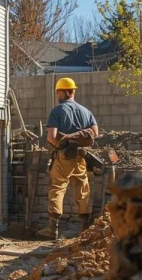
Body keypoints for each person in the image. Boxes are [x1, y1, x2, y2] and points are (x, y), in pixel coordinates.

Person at [39, 77, 98, 240]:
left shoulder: (57, 111)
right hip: (80, 156)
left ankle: (53, 229)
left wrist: (62, 144)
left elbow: (52, 137)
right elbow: (95, 133)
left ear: (63, 92)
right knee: (82, 188)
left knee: (58, 188)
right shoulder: (86, 111)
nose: (57, 94)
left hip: (63, 156)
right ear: (73, 91)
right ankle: (84, 228)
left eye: (58, 91)